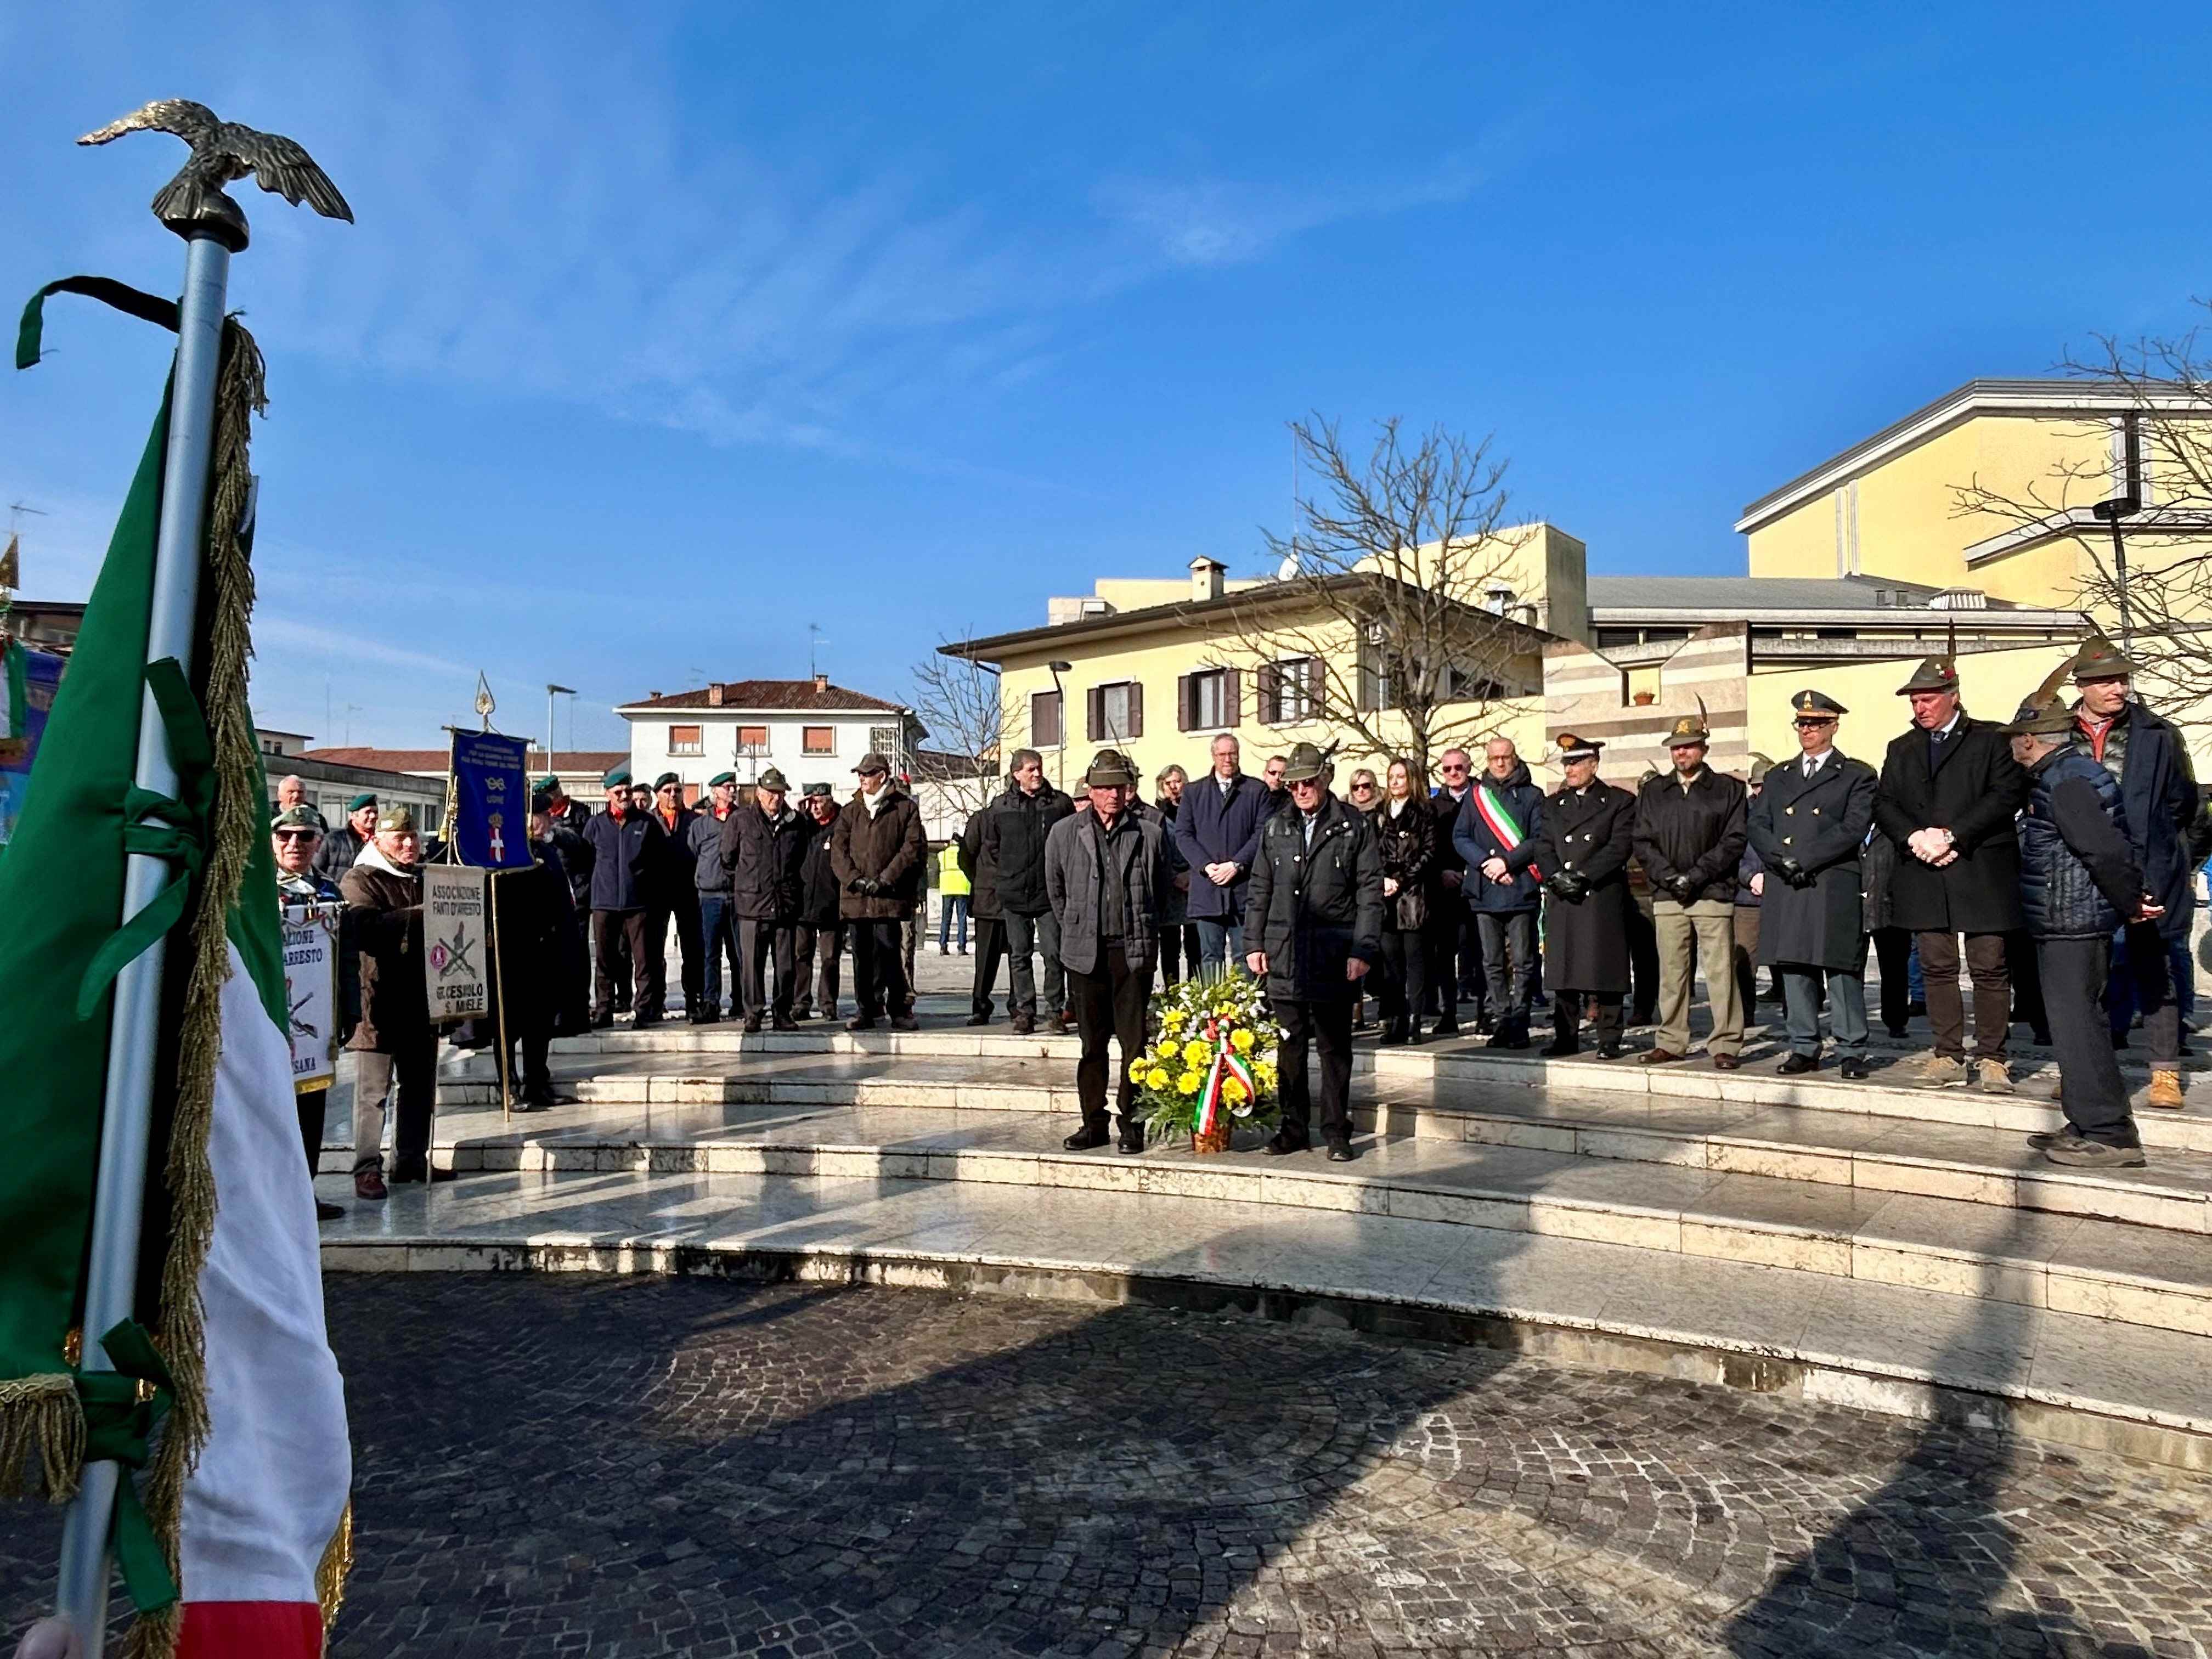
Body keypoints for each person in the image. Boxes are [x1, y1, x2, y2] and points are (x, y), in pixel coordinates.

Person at [2005, 684, 2162, 1166]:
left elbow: (2104, 850)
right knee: (2073, 1025)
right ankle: (2085, 1120)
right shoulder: (2062, 775)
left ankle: (2110, 1134)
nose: (2010, 746)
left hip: (2074, 920)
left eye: (2015, 737)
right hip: (2065, 919)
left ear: (2031, 739)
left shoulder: (2067, 781)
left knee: (2079, 1027)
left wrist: (2131, 901)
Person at [1872, 654, 2030, 1092]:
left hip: (1980, 865)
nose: (1920, 708)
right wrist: (1915, 838)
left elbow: (2007, 794)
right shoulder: (1901, 748)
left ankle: (1993, 1057)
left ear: (1953, 697)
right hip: (1922, 867)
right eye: (1915, 701)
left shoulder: (1991, 739)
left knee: (1989, 965)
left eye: (1927, 700)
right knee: (1936, 964)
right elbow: (1885, 803)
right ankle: (1947, 1054)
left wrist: (1953, 835)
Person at [2069, 630, 2199, 1110]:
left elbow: (2185, 802)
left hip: (2146, 867)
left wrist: (2167, 853)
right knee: (2089, 977)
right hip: (2081, 873)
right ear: (2082, 685)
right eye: (2106, 681)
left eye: (2122, 679)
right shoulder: (2059, 733)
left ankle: (2164, 1071)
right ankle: (2089, 1070)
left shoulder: (2158, 734)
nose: (2118, 689)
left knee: (2154, 967)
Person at [1244, 743, 1384, 1162]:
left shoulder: (1354, 826)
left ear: (1324, 780)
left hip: (1333, 954)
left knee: (1334, 1048)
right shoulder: (1276, 827)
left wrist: (1363, 948)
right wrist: (1254, 942)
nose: (1301, 790)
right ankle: (1292, 1128)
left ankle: (1337, 1131)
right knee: (1290, 1047)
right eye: (1294, 784)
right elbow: (1260, 889)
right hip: (1285, 953)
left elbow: (1370, 892)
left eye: (1308, 781)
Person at [1046, 749, 1171, 1153]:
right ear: (1091, 791)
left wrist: (1143, 929)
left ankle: (1132, 1123)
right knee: (1092, 1045)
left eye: (1119, 786)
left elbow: (1163, 890)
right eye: (1104, 788)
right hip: (1086, 954)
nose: (1113, 795)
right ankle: (1093, 1123)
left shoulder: (1151, 832)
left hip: (1131, 952)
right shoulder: (1064, 833)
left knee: (1135, 1045)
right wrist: (1078, 929)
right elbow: (1057, 891)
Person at [1747, 692, 1878, 1078]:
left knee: (1838, 965)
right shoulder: (1779, 775)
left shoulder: (1856, 774)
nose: (1807, 730)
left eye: (1816, 723)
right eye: (1802, 723)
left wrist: (1803, 859)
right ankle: (1803, 1045)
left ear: (1834, 726)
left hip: (1829, 879)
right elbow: (1758, 823)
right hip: (1786, 880)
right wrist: (1779, 859)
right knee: (1794, 965)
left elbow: (1854, 827)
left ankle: (1851, 1047)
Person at [1632, 709, 1750, 1068]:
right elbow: (1643, 840)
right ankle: (1671, 1040)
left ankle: (1726, 1043)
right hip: (1668, 896)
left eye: (1689, 747)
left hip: (1712, 892)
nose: (1681, 754)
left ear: (1704, 748)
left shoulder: (1728, 789)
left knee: (1720, 973)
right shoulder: (1654, 791)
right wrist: (1669, 877)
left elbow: (1734, 841)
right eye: (1675, 748)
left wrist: (1696, 876)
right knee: (1672, 973)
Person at [340, 806, 445, 1198]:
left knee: (419, 1085)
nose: (409, 844)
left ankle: (412, 1160)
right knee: (373, 1093)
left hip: (420, 999)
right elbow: (364, 928)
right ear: (377, 840)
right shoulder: (360, 878)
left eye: (413, 837)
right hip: (377, 1002)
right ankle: (367, 1168)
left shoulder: (423, 878)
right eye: (399, 838)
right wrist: (423, 915)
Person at [1528, 735, 1637, 1059]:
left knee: (1605, 968)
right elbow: (1543, 844)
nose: (1570, 769)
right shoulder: (1553, 804)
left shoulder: (1619, 801)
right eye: (1566, 762)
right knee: (1565, 969)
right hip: (1563, 894)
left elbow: (1619, 846)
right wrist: (1555, 876)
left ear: (1594, 763)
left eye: (1576, 762)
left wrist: (1584, 876)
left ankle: (1609, 1038)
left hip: (1598, 893)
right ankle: (1566, 1037)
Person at [273, 805, 346, 1220]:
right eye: (284, 837)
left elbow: (346, 959)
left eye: (304, 837)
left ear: (319, 842)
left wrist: (347, 1012)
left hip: (315, 1023)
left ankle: (305, 1194)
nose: (294, 845)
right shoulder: (257, 890)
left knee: (312, 1111)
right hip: (272, 1021)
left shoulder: (329, 891)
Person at [1452, 737, 1546, 1049]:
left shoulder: (1533, 796)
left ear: (1515, 758)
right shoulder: (1476, 797)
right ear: (1487, 761)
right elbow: (1461, 837)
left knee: (1522, 960)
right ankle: (1502, 1020)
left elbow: (1538, 839)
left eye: (1506, 757)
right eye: (1495, 759)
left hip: (1519, 886)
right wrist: (1485, 863)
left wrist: (1507, 861)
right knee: (1491, 962)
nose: (1501, 763)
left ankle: (1520, 1020)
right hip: (1485, 887)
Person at [496, 799, 588, 1109]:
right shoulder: (505, 852)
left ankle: (538, 1083)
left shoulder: (546, 850)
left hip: (547, 950)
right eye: (539, 815)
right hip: (515, 950)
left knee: (540, 1024)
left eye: (547, 815)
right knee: (509, 1024)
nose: (546, 820)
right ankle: (508, 1086)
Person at [983, 748, 1077, 1032]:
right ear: (1016, 774)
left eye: (1038, 768)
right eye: (1030, 770)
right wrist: (1009, 873)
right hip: (1014, 893)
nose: (1037, 774)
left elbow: (1071, 842)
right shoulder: (1000, 807)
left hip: (1049, 893)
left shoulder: (1059, 803)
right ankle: (1024, 1011)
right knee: (1019, 955)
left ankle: (1055, 1011)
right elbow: (991, 846)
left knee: (1054, 953)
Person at [831, 752, 927, 1030]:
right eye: (860, 774)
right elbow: (838, 850)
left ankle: (898, 1008)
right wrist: (855, 880)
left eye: (867, 774)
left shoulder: (905, 808)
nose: (862, 778)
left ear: (882, 776)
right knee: (862, 956)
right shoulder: (850, 810)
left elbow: (910, 849)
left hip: (888, 896)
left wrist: (885, 880)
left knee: (889, 953)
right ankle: (868, 1009)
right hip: (857, 897)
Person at [1175, 732, 1272, 979]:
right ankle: (1214, 1014)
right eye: (1222, 754)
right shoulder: (1194, 792)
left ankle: (1246, 1012)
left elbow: (1262, 833)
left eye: (1233, 754)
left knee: (1244, 954)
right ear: (1213, 756)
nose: (1228, 759)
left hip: (1243, 889)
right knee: (1210, 956)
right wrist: (1206, 866)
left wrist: (1237, 864)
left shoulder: (1256, 791)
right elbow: (1184, 835)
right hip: (1208, 889)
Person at [723, 765, 809, 1031]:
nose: (776, 798)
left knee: (785, 965)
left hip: (784, 904)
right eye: (771, 793)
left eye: (781, 793)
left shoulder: (796, 822)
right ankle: (754, 1013)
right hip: (752, 905)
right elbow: (728, 858)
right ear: (759, 793)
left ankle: (783, 1012)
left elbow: (802, 858)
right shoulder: (741, 820)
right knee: (752, 965)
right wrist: (748, 883)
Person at [582, 766, 659, 1028]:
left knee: (644, 960)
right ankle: (604, 1010)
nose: (624, 796)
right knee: (605, 960)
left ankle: (644, 1011)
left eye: (627, 791)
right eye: (618, 792)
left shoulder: (647, 823)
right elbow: (586, 861)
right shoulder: (595, 825)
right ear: (608, 795)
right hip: (604, 902)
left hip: (638, 903)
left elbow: (658, 862)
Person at [1368, 757, 1435, 1045]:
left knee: (1414, 962)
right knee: (1390, 964)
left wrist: (1403, 879)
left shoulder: (1424, 811)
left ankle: (1414, 1021)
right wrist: (1383, 878)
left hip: (1413, 896)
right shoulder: (1378, 813)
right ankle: (1393, 1019)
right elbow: (1370, 851)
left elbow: (1429, 852)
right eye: (1391, 777)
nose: (1395, 782)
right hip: (1386, 898)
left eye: (1401, 777)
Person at [1427, 748, 1488, 1036]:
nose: (1453, 773)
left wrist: (1471, 872)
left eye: (1458, 768)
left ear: (1469, 767)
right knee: (1444, 954)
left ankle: (1484, 1012)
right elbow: (1428, 846)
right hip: (1445, 889)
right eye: (1447, 769)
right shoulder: (1433, 805)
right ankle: (1448, 1012)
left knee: (1480, 952)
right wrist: (1441, 872)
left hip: (1478, 885)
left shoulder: (1483, 799)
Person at [645, 772, 703, 1022]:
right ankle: (657, 1002)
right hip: (657, 892)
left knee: (692, 949)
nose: (673, 795)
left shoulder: (694, 821)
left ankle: (694, 1002)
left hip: (688, 890)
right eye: (667, 790)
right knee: (653, 949)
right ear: (657, 794)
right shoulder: (647, 821)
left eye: (677, 791)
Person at [688, 771, 740, 1022]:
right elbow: (694, 852)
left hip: (737, 895)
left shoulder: (742, 819)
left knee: (738, 952)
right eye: (727, 787)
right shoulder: (700, 825)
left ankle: (740, 1000)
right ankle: (711, 1003)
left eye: (734, 786)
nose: (732, 791)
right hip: (710, 896)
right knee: (711, 953)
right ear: (715, 792)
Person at [793, 783, 844, 1020]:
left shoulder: (842, 826)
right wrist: (800, 813)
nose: (815, 807)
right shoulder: (803, 826)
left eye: (820, 802)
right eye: (812, 802)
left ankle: (828, 1003)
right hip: (803, 905)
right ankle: (801, 1002)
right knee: (800, 956)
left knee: (830, 958)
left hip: (831, 905)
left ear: (830, 801)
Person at [1734, 754, 1775, 1021]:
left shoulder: (1786, 811)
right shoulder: (1740, 814)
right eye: (1757, 785)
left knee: (1792, 959)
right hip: (1747, 897)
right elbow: (1731, 851)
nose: (1761, 791)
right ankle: (1744, 1014)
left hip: (1782, 892)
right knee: (1744, 961)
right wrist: (1749, 877)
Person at [957, 798, 1005, 1024]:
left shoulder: (1020, 818)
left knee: (1019, 958)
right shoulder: (982, 819)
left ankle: (1020, 1006)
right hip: (987, 900)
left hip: (1016, 900)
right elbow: (965, 856)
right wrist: (979, 880)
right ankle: (981, 1004)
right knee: (985, 959)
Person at [1152, 765, 1200, 984]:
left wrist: (1192, 874)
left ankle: (1196, 993)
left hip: (1193, 884)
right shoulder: (1156, 814)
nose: (1173, 787)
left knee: (1195, 946)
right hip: (1169, 887)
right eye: (1168, 782)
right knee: (1170, 948)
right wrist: (1172, 876)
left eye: (1177, 781)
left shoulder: (1194, 810)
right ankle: (1172, 995)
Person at [312, 791, 377, 883]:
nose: (373, 816)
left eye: (376, 812)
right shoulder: (332, 840)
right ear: (353, 816)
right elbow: (315, 871)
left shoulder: (381, 842)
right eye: (368, 812)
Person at [937, 835, 972, 953]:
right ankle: (962, 947)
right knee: (962, 919)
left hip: (947, 888)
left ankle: (943, 946)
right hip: (962, 888)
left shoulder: (943, 855)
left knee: (946, 918)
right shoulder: (963, 853)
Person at [536, 774, 592, 838]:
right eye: (552, 795)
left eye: (558, 792)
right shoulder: (542, 815)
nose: (555, 796)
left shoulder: (580, 811)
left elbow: (588, 836)